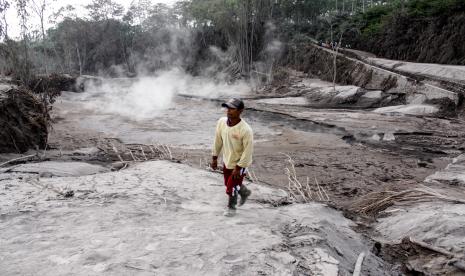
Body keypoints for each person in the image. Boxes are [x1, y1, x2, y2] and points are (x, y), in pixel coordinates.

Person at [211, 98, 253, 217]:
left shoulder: (246, 130)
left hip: (240, 164)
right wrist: (214, 158)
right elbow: (217, 141)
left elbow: (248, 151)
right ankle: (244, 192)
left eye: (232, 109)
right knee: (227, 183)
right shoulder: (221, 122)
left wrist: (239, 168)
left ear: (240, 111)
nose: (229, 111)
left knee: (231, 187)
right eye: (227, 108)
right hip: (227, 160)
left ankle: (231, 208)